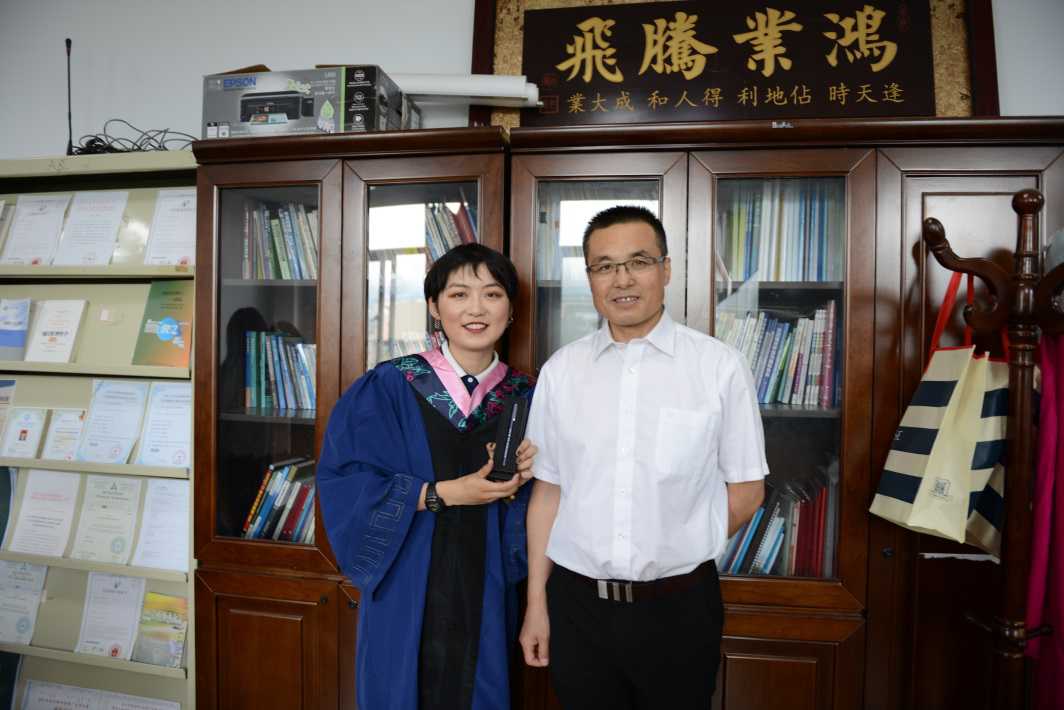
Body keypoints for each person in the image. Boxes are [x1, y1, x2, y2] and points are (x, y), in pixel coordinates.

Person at [518, 205, 768, 708]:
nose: (622, 279)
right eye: (604, 266)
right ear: (590, 277)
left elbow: (746, 491)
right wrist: (537, 604)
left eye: (638, 262)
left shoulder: (719, 367)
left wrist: (676, 542)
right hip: (577, 609)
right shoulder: (562, 371)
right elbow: (548, 493)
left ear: (666, 269)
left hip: (679, 609)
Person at [317, 243, 538, 710]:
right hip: (407, 578)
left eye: (492, 294)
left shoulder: (528, 396)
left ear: (511, 309)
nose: (476, 309)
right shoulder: (390, 385)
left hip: (487, 585)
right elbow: (347, 482)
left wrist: (519, 486)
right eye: (459, 295)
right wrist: (441, 493)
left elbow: (549, 505)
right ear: (435, 307)